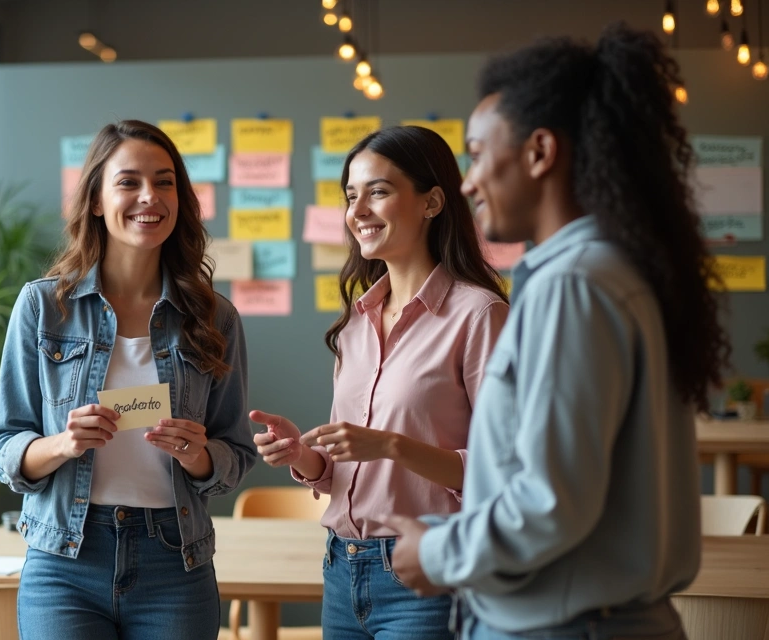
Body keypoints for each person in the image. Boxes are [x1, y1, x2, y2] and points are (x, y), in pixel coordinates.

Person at [387, 23, 728, 640]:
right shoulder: (612, 271)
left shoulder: (574, 285)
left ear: (540, 152)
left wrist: (437, 550)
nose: (467, 182)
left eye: (478, 154)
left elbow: (550, 501)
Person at [0, 119, 255, 640]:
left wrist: (198, 456)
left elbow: (235, 454)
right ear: (95, 199)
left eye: (164, 182)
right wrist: (63, 444)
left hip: (174, 562)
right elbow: (4, 445)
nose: (149, 196)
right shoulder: (43, 306)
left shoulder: (215, 317)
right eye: (129, 182)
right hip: (65, 561)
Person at [251, 125, 509, 639]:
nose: (358, 211)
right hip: (340, 570)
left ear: (432, 202)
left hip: (428, 574)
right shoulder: (356, 320)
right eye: (351, 196)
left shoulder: (480, 315)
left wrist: (391, 446)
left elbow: (500, 469)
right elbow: (348, 472)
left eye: (378, 192)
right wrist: (304, 455)